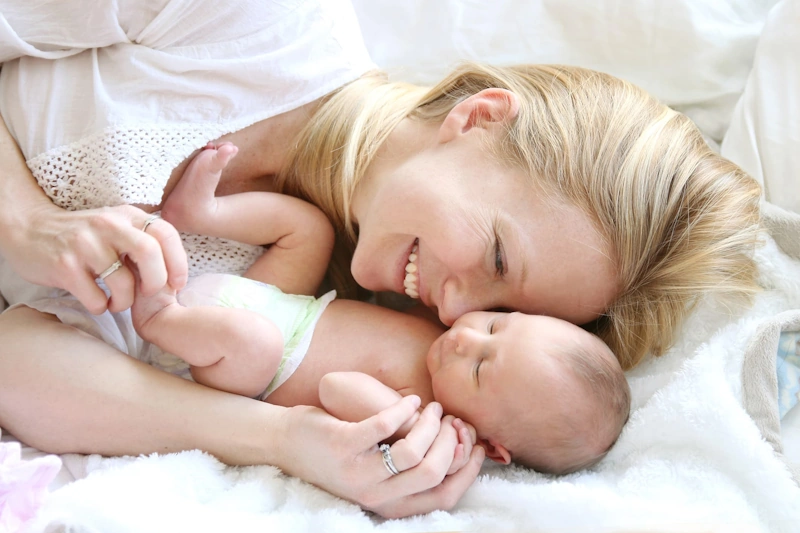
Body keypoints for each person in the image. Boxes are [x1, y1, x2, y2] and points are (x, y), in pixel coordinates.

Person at [0, 0, 761, 518]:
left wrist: (287, 442)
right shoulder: (258, 24)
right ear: (480, 117)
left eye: (503, 315)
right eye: (497, 256)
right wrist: (29, 222)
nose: (458, 313)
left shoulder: (308, 311)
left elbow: (17, 360)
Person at [130, 142, 630, 476]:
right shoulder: (437, 330)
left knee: (256, 344)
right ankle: (201, 213)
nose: (465, 337)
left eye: (479, 368)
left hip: (246, 367)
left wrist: (403, 421)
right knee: (310, 232)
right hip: (285, 304)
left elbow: (333, 387)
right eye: (497, 324)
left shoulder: (417, 409)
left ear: (493, 444)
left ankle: (157, 316)